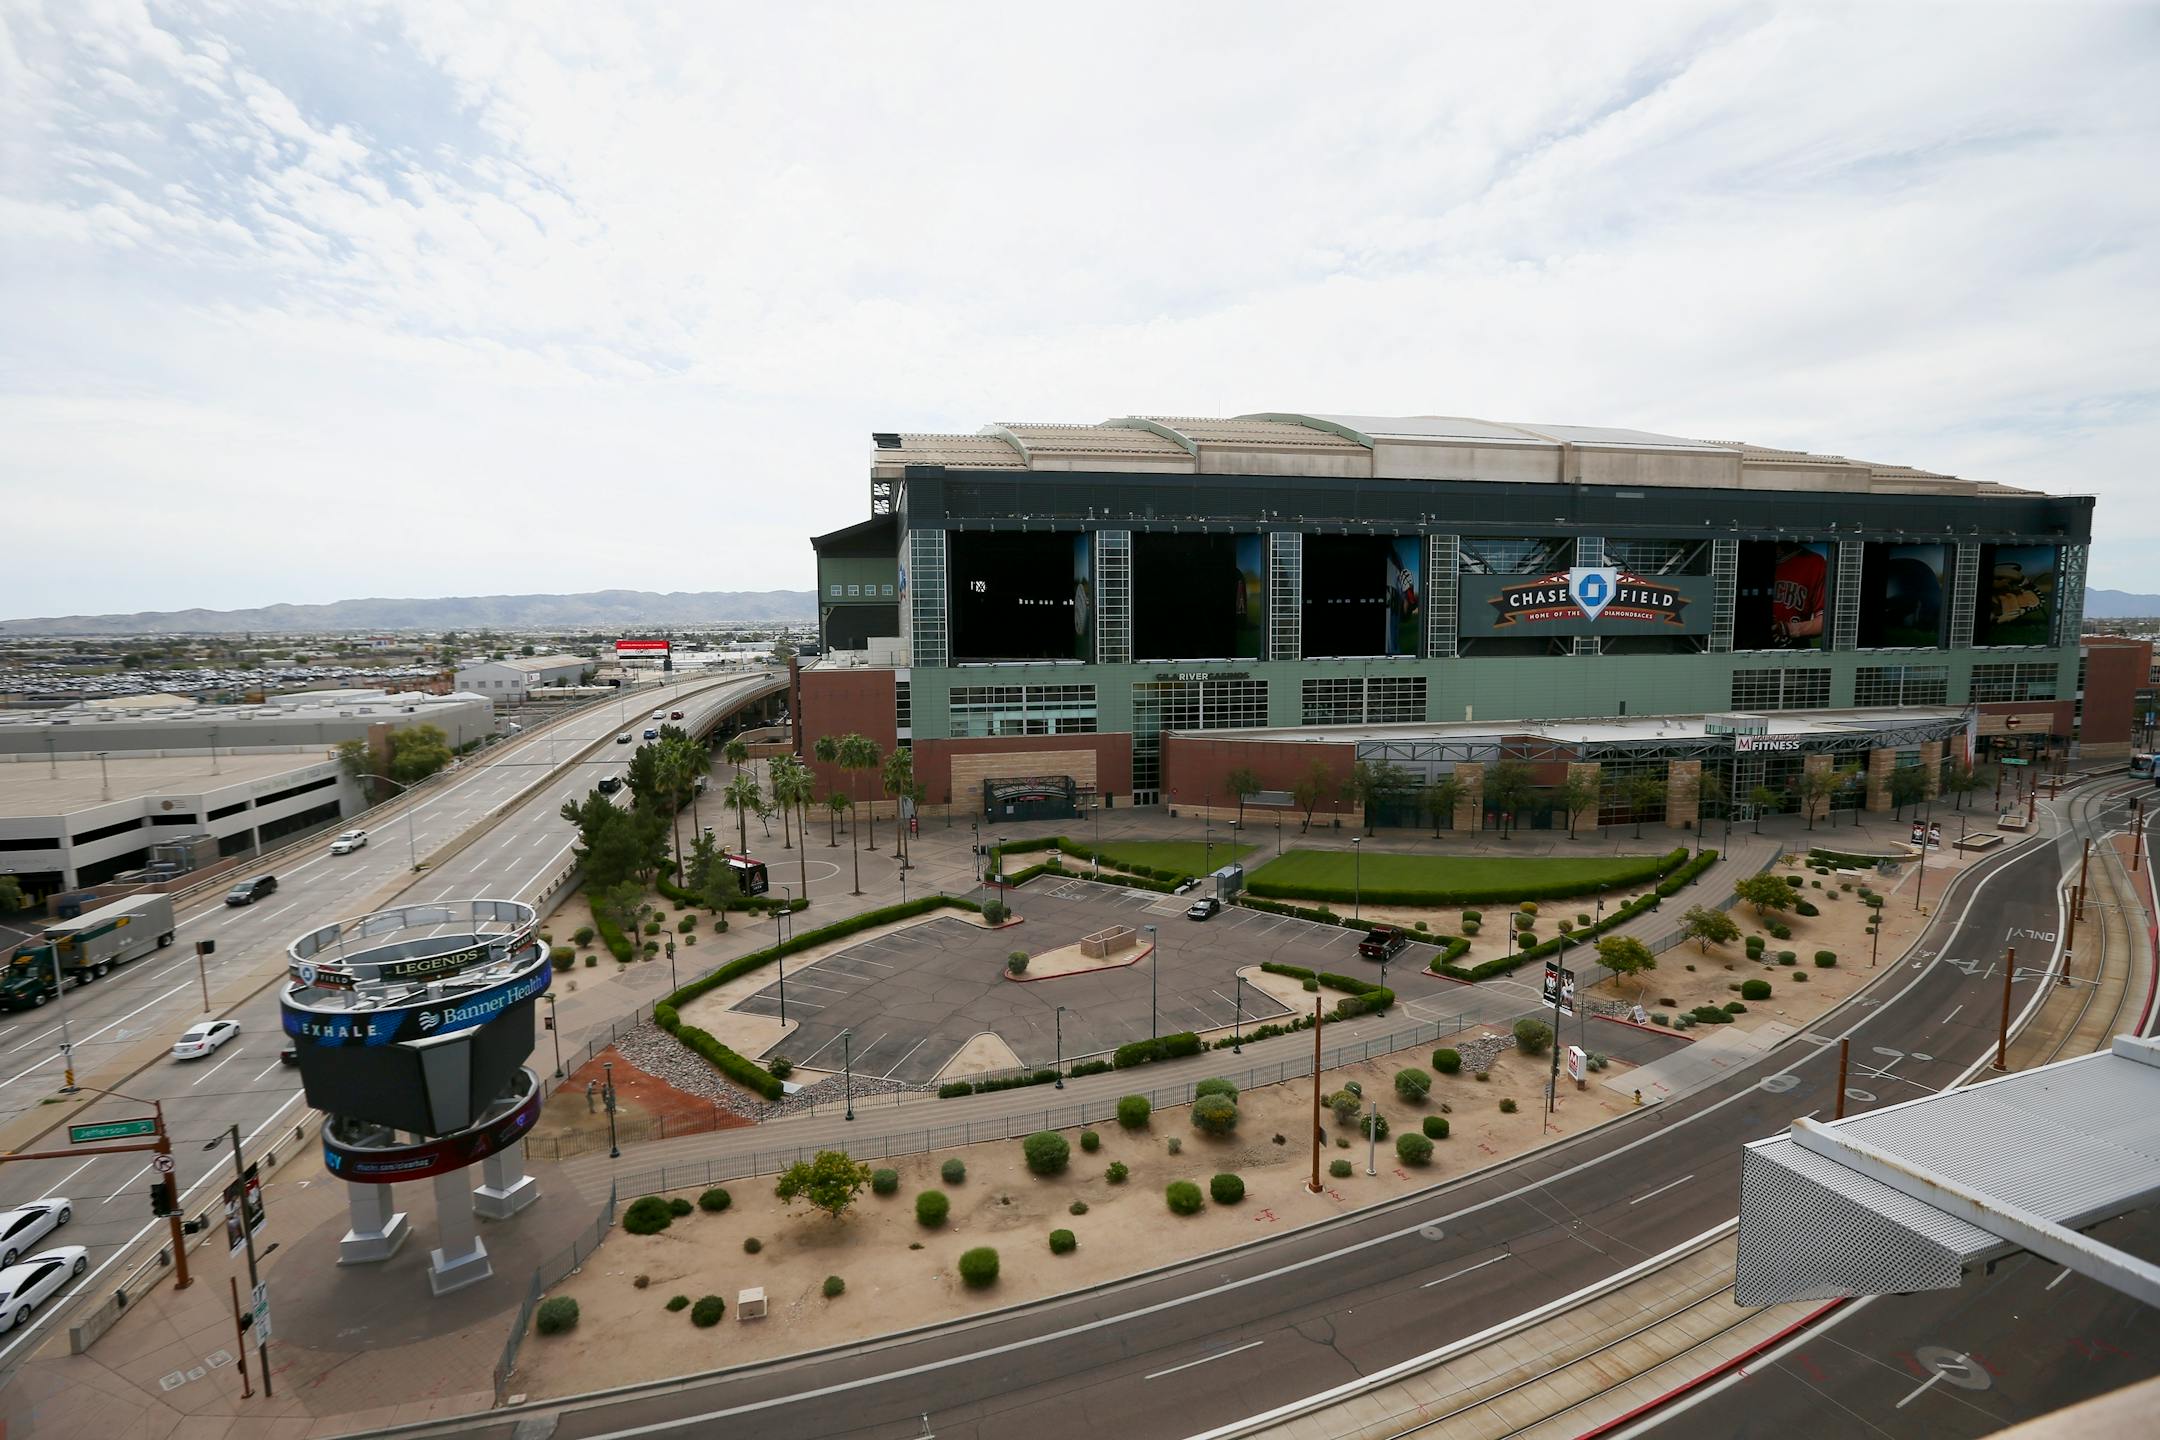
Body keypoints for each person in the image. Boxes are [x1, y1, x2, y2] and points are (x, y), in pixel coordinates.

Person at [1770, 542, 1827, 647]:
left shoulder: (1814, 562)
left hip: (1795, 651)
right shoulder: (1739, 555)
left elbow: (1827, 621)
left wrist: (1788, 629)